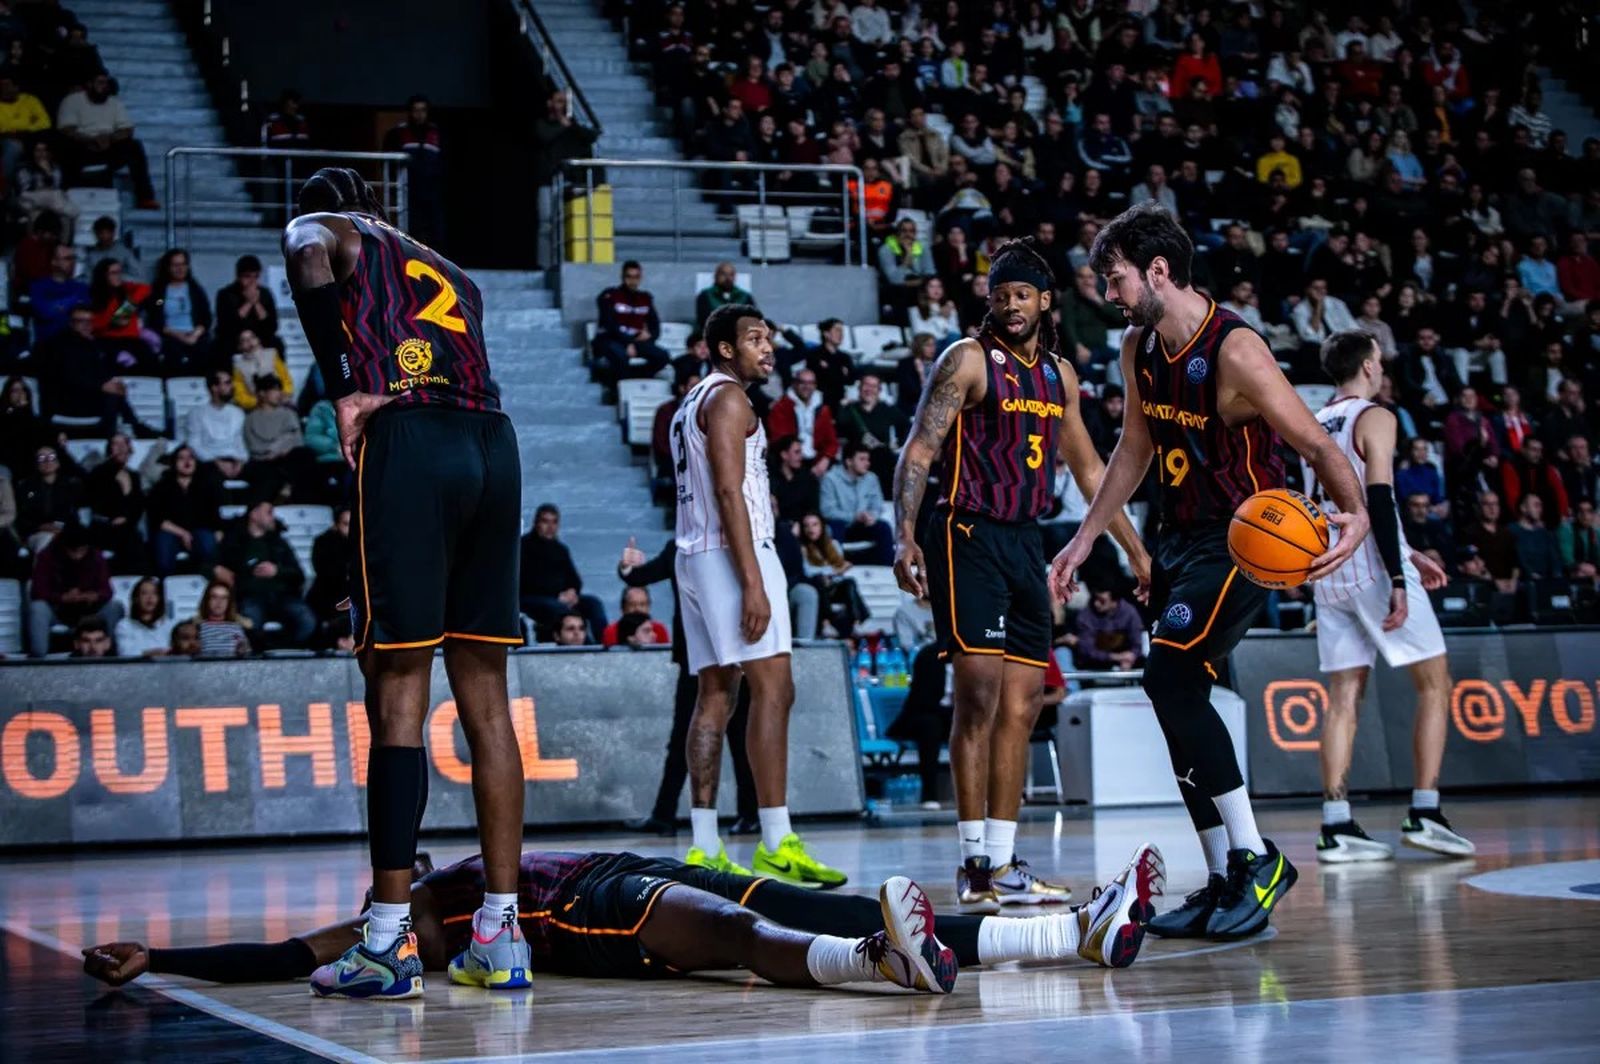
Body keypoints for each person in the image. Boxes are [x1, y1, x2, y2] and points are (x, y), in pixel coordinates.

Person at [1052, 203, 1370, 941]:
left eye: (1116, 278)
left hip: (1245, 537)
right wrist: (1082, 541)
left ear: (1158, 271)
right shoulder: (1138, 346)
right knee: (1175, 697)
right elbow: (1133, 450)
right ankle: (1225, 871)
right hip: (1179, 540)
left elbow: (1316, 444)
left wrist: (1354, 513)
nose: (1108, 293)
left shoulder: (1236, 350)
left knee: (1168, 676)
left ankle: (1257, 859)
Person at [283, 166, 528, 997]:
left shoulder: (328, 227)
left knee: (396, 692)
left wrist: (343, 387)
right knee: (487, 699)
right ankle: (501, 934)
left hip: (411, 438)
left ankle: (388, 941)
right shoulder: (450, 267)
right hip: (493, 443)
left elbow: (305, 251)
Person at [892, 237, 1151, 914]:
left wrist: (1135, 552)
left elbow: (1091, 470)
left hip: (1025, 541)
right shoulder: (967, 359)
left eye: (1023, 295)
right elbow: (919, 449)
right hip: (964, 533)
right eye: (1001, 295)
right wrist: (903, 535)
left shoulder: (1060, 376)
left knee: (1024, 703)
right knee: (977, 693)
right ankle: (972, 862)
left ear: (1045, 302)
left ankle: (1005, 864)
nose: (1011, 305)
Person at [81, 843, 1167, 999]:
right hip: (590, 913)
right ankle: (878, 962)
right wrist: (161, 955)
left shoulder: (443, 870)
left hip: (631, 865)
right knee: (738, 941)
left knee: (837, 897)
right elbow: (283, 954)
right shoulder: (396, 922)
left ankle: (1067, 932)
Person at [669, 303, 846, 888]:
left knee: (715, 694)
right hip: (730, 553)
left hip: (693, 554)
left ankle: (704, 846)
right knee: (775, 688)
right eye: (753, 338)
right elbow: (728, 490)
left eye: (768, 337)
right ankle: (777, 843)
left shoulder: (690, 401)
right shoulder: (728, 399)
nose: (766, 348)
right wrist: (752, 581)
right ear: (725, 349)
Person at [1305, 332, 1475, 863]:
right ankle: (1425, 812)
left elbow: (1328, 499)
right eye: (1379, 359)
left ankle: (1336, 825)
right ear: (1367, 366)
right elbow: (1376, 496)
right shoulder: (1375, 415)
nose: (1382, 367)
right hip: (1373, 565)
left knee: (1343, 697)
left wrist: (1409, 550)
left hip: (1327, 564)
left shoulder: (1314, 419)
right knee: (1435, 683)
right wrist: (1399, 577)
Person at [618, 535, 760, 837]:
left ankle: (749, 815)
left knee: (736, 739)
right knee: (686, 736)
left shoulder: (738, 542)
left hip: (734, 653)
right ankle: (665, 815)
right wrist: (627, 568)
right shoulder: (679, 546)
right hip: (698, 655)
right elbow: (640, 575)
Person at [215, 493, 316, 647]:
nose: (272, 517)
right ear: (254, 514)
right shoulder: (234, 542)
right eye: (269, 512)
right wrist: (218, 570)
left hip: (283, 596)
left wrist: (277, 571)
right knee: (249, 622)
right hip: (250, 597)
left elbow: (298, 575)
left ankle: (286, 651)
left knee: (307, 620)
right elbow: (210, 565)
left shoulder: (279, 543)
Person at [56, 71, 158, 208]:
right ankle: (66, 196)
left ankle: (145, 197)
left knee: (134, 147)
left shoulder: (115, 103)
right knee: (65, 146)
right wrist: (90, 140)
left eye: (106, 83)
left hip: (108, 146)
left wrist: (109, 139)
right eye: (100, 82)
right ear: (89, 84)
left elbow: (127, 129)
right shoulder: (73, 100)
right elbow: (66, 129)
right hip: (81, 146)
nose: (105, 86)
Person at [27, 521, 122, 657]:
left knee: (114, 607)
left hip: (90, 612)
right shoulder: (46, 556)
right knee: (38, 608)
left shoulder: (96, 556)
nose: (78, 556)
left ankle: (109, 654)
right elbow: (37, 592)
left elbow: (107, 591)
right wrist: (62, 597)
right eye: (74, 551)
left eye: (82, 551)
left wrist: (93, 596)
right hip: (58, 610)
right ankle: (38, 656)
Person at [519, 503, 608, 641]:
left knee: (593, 603)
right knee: (560, 609)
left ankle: (605, 643)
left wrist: (572, 592)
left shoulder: (560, 549)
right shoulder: (522, 547)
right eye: (545, 521)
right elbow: (526, 582)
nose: (550, 527)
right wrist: (557, 596)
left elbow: (575, 580)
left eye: (554, 522)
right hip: (531, 599)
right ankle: (585, 644)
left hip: (559, 599)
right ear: (536, 523)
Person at [593, 260, 671, 386]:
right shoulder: (610, 295)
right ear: (623, 277)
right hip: (612, 339)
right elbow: (609, 325)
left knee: (662, 356)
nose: (633, 281)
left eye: (636, 277)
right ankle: (615, 389)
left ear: (640, 278)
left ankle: (634, 378)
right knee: (620, 357)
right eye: (629, 277)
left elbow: (655, 325)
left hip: (636, 340)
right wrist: (628, 343)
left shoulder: (645, 298)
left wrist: (650, 336)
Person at [382, 95, 445, 249]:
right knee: (411, 232)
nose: (419, 114)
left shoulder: (437, 133)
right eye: (416, 110)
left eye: (423, 110)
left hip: (432, 191)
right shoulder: (398, 133)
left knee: (436, 232)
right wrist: (394, 189)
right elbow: (389, 162)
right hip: (408, 191)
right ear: (410, 112)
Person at [147, 445, 222, 575]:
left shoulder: (206, 486)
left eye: (190, 457)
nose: (187, 461)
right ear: (174, 463)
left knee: (208, 544)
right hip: (172, 531)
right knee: (163, 548)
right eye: (181, 458)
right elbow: (157, 519)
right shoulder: (162, 486)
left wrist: (218, 533)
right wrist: (183, 533)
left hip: (199, 530)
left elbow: (214, 517)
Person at [820, 443, 895, 564]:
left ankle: (888, 568)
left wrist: (871, 516)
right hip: (842, 525)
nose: (867, 463)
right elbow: (827, 511)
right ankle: (836, 568)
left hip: (862, 524)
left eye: (868, 459)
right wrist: (854, 516)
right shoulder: (830, 479)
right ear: (849, 461)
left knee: (883, 527)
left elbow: (877, 504)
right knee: (835, 526)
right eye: (862, 459)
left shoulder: (871, 478)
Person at [145, 248, 213, 376]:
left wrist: (195, 335)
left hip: (194, 334)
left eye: (183, 264)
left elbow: (206, 316)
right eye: (175, 265)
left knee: (205, 351)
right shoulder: (160, 293)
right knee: (172, 354)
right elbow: (156, 311)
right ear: (168, 267)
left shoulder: (194, 289)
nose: (180, 269)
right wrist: (180, 336)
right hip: (171, 335)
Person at [767, 368, 839, 475]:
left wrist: (826, 459)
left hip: (816, 462)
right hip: (789, 463)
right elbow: (779, 440)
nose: (807, 387)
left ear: (815, 385)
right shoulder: (781, 407)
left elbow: (832, 441)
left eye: (811, 383)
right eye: (802, 382)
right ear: (795, 384)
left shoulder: (823, 410)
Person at [183, 369, 248, 482]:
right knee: (211, 478)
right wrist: (217, 463)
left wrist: (241, 462)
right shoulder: (196, 413)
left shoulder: (238, 413)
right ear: (214, 388)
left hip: (235, 461)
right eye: (227, 383)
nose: (232, 386)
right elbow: (194, 444)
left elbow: (240, 442)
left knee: (266, 475)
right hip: (210, 462)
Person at [213, 254, 281, 356]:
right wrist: (248, 303)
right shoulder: (225, 294)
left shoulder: (265, 294)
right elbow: (227, 325)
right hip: (234, 338)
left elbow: (272, 326)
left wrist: (257, 303)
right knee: (220, 345)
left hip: (259, 337)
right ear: (239, 276)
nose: (252, 281)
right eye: (247, 276)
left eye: (256, 277)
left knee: (277, 343)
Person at [1069, 584, 1145, 672]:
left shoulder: (1130, 613)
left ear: (1115, 601)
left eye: (1102, 601)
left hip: (1125, 664)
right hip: (1093, 665)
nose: (1096, 604)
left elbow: (1137, 645)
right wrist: (1117, 657)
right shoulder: (1085, 616)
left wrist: (1130, 657)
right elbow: (1087, 650)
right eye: (1095, 598)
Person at [230, 329, 293, 411]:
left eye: (252, 337)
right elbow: (239, 393)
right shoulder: (238, 364)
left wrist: (284, 395)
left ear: (258, 339)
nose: (250, 341)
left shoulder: (272, 354)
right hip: (256, 407)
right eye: (244, 340)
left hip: (279, 402)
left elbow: (286, 379)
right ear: (240, 346)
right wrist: (256, 402)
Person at [113, 576, 174, 657]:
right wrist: (150, 653)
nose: (150, 597)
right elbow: (125, 654)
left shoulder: (170, 625)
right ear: (136, 598)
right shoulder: (124, 626)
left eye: (154, 593)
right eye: (144, 593)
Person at [195, 578, 251, 658]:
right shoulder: (197, 628)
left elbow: (246, 653)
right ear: (207, 600)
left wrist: (243, 649)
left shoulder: (236, 628)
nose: (219, 602)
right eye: (214, 597)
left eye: (224, 598)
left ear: (229, 602)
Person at [601, 586, 670, 646]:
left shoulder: (659, 630)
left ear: (648, 607)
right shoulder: (611, 632)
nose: (637, 609)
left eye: (642, 604)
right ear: (623, 608)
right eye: (632, 604)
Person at [694, 262, 754, 330]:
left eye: (731, 275)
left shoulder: (745, 296)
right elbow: (703, 320)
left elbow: (752, 318)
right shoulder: (705, 295)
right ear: (716, 276)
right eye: (723, 274)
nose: (728, 278)